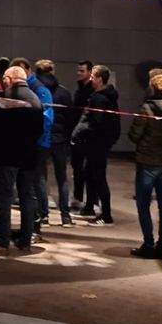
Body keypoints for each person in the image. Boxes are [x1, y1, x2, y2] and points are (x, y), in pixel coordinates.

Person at [0, 65, 43, 252]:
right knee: (27, 197)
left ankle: (3, 239)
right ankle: (25, 240)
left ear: (11, 78)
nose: (2, 80)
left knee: (5, 197)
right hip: (29, 156)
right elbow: (39, 129)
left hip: (7, 155)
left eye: (4, 78)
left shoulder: (4, 99)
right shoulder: (36, 99)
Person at [127, 73, 162, 259]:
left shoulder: (147, 108)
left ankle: (148, 244)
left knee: (144, 205)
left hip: (148, 162)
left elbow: (134, 135)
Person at [72, 64, 120, 226]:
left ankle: (106, 215)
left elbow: (96, 122)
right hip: (99, 142)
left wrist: (82, 132)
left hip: (97, 143)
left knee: (98, 177)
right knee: (89, 174)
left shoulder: (99, 98)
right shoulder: (106, 96)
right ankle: (89, 207)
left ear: (100, 79)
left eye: (93, 76)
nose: (91, 79)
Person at [22, 59, 57, 232]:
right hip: (30, 142)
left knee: (36, 182)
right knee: (31, 183)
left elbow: (47, 118)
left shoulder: (40, 90)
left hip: (39, 143)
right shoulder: (27, 89)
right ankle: (31, 223)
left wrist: (31, 134)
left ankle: (39, 220)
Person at [42, 64, 75, 228]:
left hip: (43, 140)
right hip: (60, 141)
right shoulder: (64, 92)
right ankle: (66, 216)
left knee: (41, 178)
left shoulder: (39, 92)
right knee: (62, 178)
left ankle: (44, 215)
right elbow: (71, 118)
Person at [69, 60, 94, 213]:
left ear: (90, 73)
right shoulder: (80, 88)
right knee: (77, 167)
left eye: (82, 71)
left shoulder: (91, 91)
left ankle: (91, 201)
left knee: (88, 170)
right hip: (77, 134)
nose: (79, 73)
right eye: (78, 71)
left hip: (86, 135)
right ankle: (78, 197)